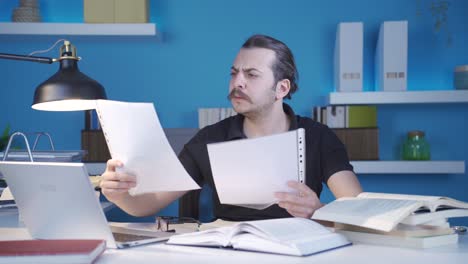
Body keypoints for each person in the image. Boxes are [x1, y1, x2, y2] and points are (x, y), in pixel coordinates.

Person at [100, 34, 362, 221]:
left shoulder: (319, 137)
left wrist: (319, 210)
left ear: (282, 88)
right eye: (234, 73)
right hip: (228, 252)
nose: (238, 83)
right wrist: (119, 195)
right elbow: (149, 203)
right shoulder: (209, 138)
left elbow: (359, 209)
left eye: (251, 75)